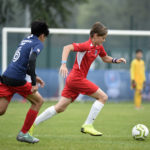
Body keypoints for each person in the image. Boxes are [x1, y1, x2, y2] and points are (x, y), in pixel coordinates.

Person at [30, 22, 126, 136]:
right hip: (76, 79)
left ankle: (31, 125)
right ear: (95, 35)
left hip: (74, 80)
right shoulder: (86, 46)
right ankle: (88, 125)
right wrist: (63, 64)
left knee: (60, 108)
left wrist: (115, 60)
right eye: (103, 38)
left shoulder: (98, 47)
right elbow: (67, 48)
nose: (104, 40)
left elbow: (105, 58)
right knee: (103, 97)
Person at [0, 21, 49, 143]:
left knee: (1, 110)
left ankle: (24, 133)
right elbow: (32, 60)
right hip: (17, 80)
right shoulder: (38, 43)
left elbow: (20, 63)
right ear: (42, 35)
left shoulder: (25, 40)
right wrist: (33, 83)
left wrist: (35, 76)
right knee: (39, 101)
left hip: (7, 77)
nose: (44, 39)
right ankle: (23, 133)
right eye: (45, 37)